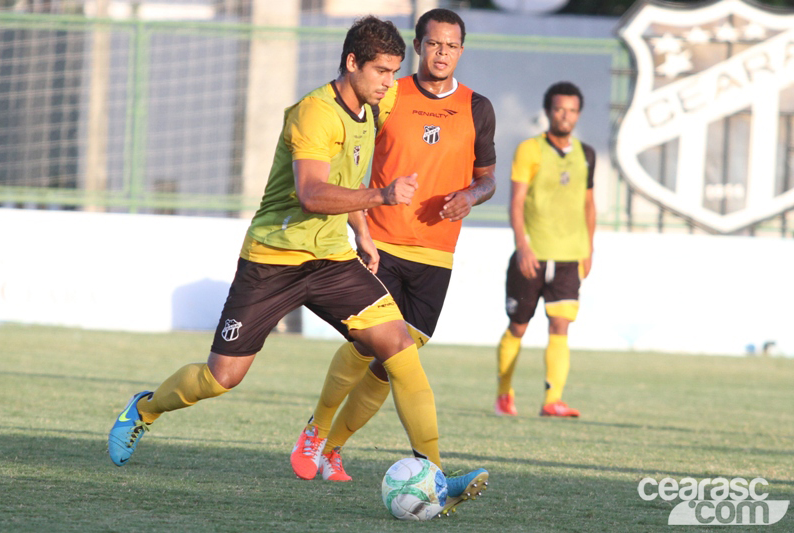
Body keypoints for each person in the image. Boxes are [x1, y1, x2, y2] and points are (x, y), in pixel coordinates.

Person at [107, 16, 486, 508]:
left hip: (331, 258)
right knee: (221, 377)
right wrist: (379, 198)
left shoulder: (377, 101)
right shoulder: (314, 113)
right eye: (382, 72)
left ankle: (436, 475)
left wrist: (362, 234)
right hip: (273, 260)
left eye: (395, 72)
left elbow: (359, 162)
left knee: (399, 347)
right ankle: (144, 409)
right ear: (351, 64)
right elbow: (311, 193)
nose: (391, 84)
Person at [289, 8, 494, 513]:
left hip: (436, 256)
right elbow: (354, 157)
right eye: (434, 43)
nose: (442, 52)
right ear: (420, 46)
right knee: (368, 348)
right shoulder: (390, 93)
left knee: (387, 369)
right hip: (382, 244)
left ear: (461, 50)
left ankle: (331, 449)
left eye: (452, 45)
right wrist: (360, 222)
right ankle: (316, 432)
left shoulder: (478, 107)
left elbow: (488, 177)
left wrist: (472, 195)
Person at [494, 81, 595, 418]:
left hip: (569, 256)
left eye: (572, 110)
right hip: (533, 255)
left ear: (578, 115)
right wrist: (522, 245)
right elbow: (517, 202)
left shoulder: (587, 154)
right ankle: (504, 393)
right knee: (518, 327)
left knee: (561, 326)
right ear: (549, 112)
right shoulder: (530, 150)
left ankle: (553, 400)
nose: (565, 116)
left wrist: (588, 248)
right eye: (559, 109)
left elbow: (588, 205)